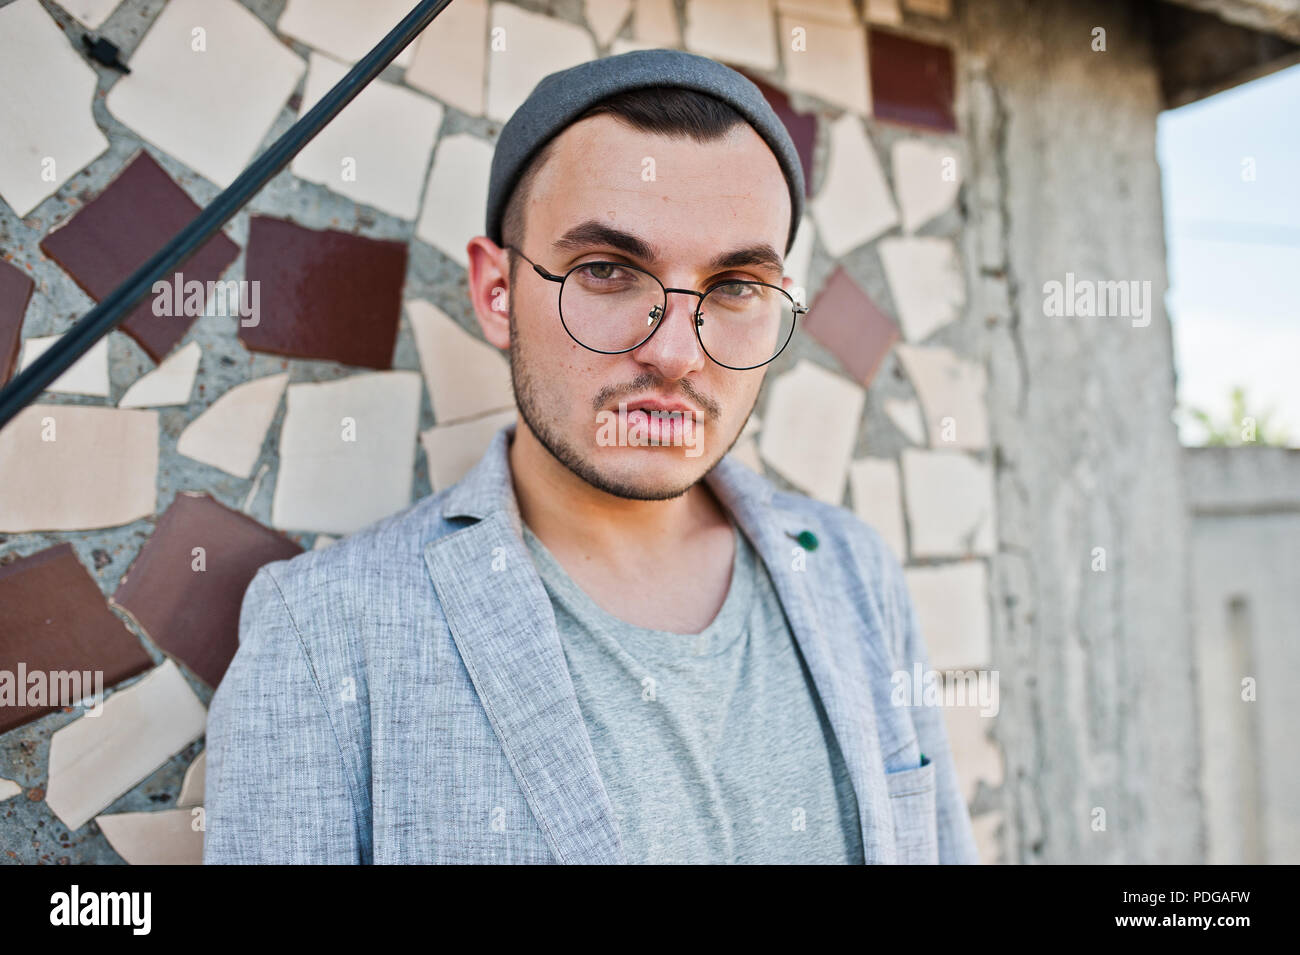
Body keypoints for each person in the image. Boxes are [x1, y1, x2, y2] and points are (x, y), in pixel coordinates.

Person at [204, 48, 979, 864]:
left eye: (737, 286)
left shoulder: (855, 573)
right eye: (608, 271)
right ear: (497, 292)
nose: (677, 352)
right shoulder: (326, 633)